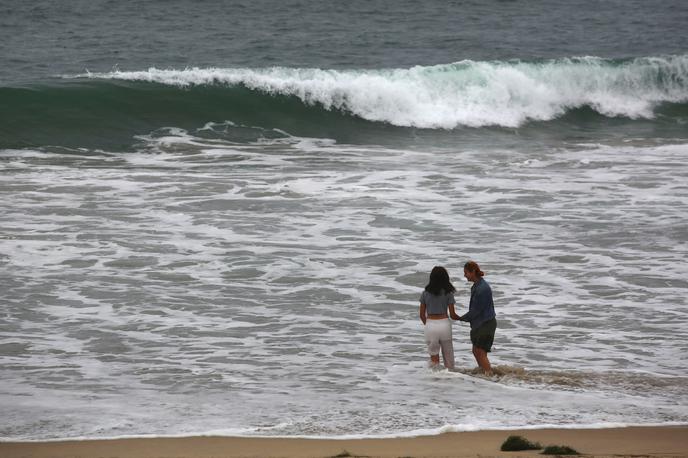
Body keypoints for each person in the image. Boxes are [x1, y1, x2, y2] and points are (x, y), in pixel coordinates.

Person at [458, 261, 497, 375]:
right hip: (481, 323)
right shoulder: (477, 286)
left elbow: (476, 311)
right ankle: (484, 373)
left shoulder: (482, 289)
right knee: (476, 351)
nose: (464, 275)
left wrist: (461, 318)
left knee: (480, 352)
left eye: (466, 273)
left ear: (473, 272)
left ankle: (489, 375)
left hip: (486, 323)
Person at [419, 266, 461, 369]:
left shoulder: (425, 293)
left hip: (430, 325)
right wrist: (466, 318)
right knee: (449, 360)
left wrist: (429, 324)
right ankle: (451, 381)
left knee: (434, 360)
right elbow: (452, 314)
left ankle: (436, 382)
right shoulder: (448, 293)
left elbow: (421, 315)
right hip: (444, 325)